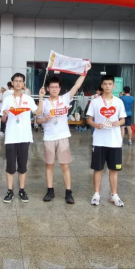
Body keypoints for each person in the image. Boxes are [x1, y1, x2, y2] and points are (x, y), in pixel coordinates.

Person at [37, 62, 91, 204]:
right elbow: (37, 120)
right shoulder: (44, 103)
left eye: (57, 87)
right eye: (52, 87)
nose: (54, 89)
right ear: (47, 89)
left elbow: (76, 86)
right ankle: (50, 190)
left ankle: (68, 192)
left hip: (63, 137)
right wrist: (45, 117)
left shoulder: (65, 98)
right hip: (49, 137)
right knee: (49, 165)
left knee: (65, 165)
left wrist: (84, 72)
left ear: (60, 88)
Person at [1, 73, 45, 203]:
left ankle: (21, 190)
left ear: (23, 84)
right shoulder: (7, 99)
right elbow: (3, 120)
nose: (18, 83)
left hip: (24, 137)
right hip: (11, 137)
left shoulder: (28, 99)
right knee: (10, 166)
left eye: (20, 81)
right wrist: (5, 115)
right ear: (12, 83)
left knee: (22, 165)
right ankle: (9, 191)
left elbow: (38, 112)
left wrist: (41, 97)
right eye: (16, 81)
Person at [86, 75, 126, 207]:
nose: (107, 86)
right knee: (98, 169)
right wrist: (95, 124)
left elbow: (123, 119)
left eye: (110, 84)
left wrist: (118, 123)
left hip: (114, 141)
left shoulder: (119, 102)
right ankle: (96, 194)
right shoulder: (95, 102)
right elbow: (89, 119)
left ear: (114, 86)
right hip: (99, 141)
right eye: (105, 84)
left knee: (114, 169)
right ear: (102, 85)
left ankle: (114, 195)